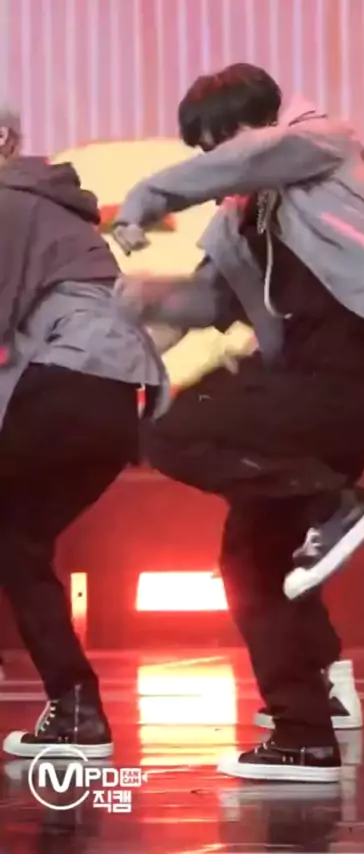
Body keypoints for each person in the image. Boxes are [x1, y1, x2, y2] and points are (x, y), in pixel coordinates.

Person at [113, 64, 364, 782]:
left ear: (260, 120)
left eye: (220, 141)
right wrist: (143, 302)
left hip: (353, 365)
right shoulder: (237, 216)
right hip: (302, 388)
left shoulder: (319, 142)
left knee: (175, 429)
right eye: (205, 149)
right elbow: (209, 301)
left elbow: (254, 157)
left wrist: (148, 195)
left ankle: (335, 505)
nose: (217, 159)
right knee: (251, 561)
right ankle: (305, 734)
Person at [0, 107, 165, 758]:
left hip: (68, 380)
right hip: (112, 396)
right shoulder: (52, 208)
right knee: (15, 543)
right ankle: (76, 710)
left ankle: (75, 705)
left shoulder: (9, 202)